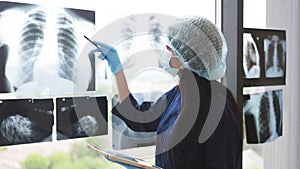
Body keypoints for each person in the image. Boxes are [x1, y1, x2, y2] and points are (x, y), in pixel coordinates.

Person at [89, 15, 242, 169]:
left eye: (171, 48)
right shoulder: (177, 95)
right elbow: (138, 117)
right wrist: (118, 70)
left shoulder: (219, 111)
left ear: (186, 58)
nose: (166, 52)